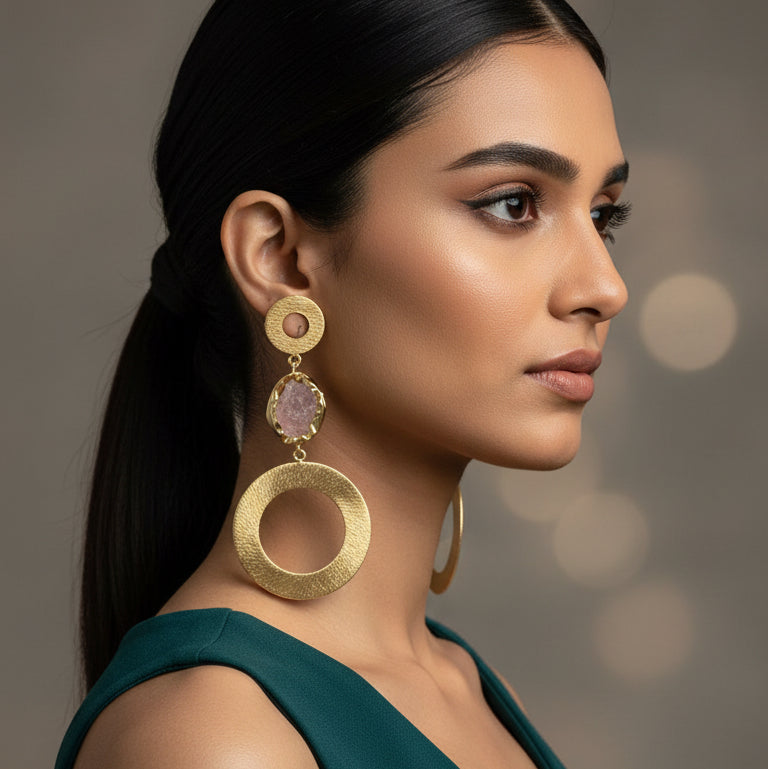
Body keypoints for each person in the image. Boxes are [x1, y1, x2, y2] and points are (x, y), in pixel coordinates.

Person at [55, 1, 631, 767]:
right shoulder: (216, 737)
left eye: (604, 215)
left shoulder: (467, 687)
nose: (604, 286)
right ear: (280, 257)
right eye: (513, 204)